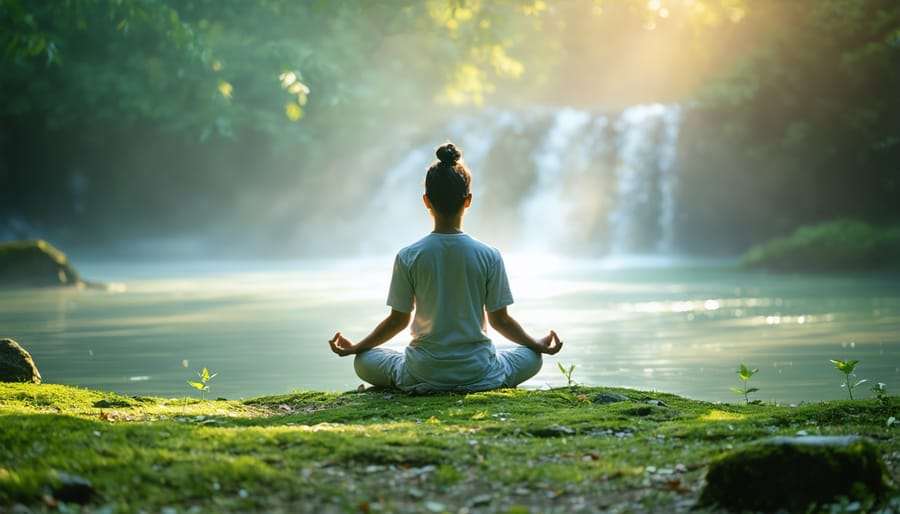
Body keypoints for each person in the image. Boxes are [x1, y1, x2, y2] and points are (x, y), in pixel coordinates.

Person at [328, 142, 563, 393]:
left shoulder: (409, 256)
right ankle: (486, 377)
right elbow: (501, 321)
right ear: (468, 200)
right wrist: (537, 344)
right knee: (531, 356)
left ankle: (417, 379)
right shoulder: (489, 255)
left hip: (423, 370)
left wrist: (357, 347)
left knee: (364, 361)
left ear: (426, 201)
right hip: (478, 371)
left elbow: (397, 321)